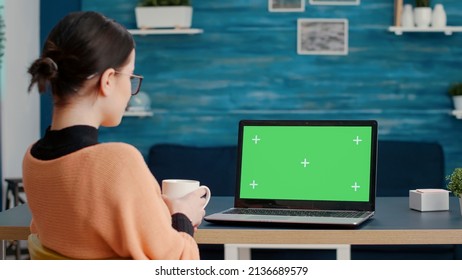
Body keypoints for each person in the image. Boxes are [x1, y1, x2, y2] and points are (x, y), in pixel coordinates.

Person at [23, 11, 207, 260]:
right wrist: (183, 216)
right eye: (130, 77)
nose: (131, 89)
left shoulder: (33, 160)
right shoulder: (118, 162)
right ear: (108, 80)